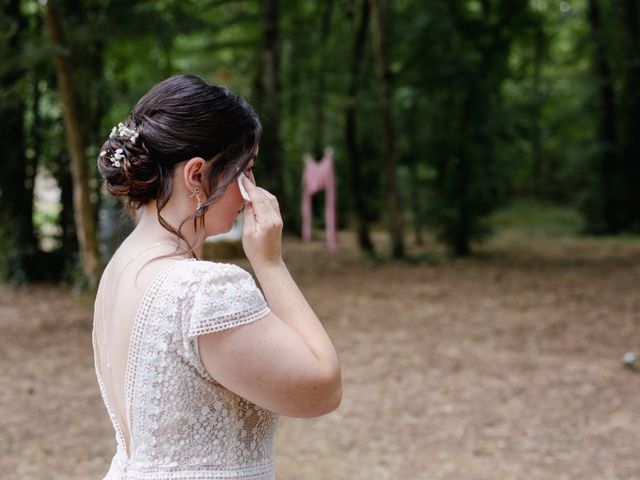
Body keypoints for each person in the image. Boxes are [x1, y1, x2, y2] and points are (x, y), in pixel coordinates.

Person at [92, 74, 342, 480]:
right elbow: (323, 388)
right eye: (246, 170)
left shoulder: (121, 267)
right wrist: (270, 263)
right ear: (196, 175)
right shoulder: (203, 291)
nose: (251, 190)